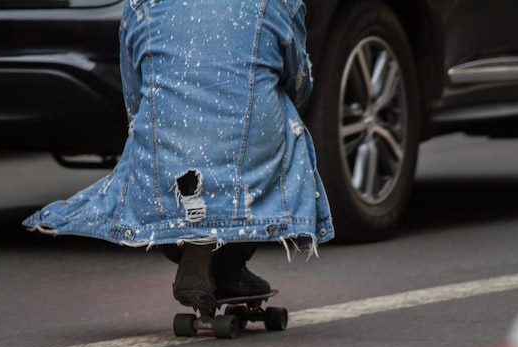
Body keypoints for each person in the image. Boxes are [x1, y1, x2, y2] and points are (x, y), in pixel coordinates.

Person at [23, 0, 334, 309]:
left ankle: (193, 250)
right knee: (284, 115)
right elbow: (298, 83)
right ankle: (230, 265)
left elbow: (134, 97)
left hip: (167, 166)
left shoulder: (140, 4)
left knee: (152, 126)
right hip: (245, 168)